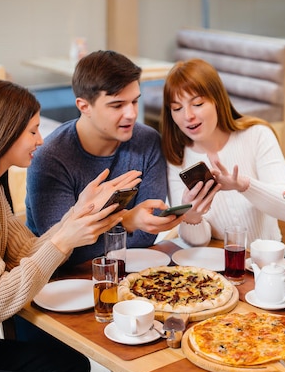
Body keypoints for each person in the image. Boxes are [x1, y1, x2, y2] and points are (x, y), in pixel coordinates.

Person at [0, 80, 140, 372]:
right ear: (3, 132)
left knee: (73, 365)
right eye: (33, 131)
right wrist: (64, 240)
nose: (40, 139)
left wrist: (76, 215)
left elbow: (25, 252)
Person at [26, 50, 181, 267]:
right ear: (84, 106)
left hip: (131, 271)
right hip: (60, 282)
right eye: (117, 105)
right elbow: (62, 252)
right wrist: (127, 221)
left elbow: (146, 235)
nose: (131, 114)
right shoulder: (51, 157)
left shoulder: (149, 142)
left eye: (134, 101)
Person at [161, 58, 285, 246]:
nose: (188, 116)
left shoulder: (257, 135)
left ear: (217, 100)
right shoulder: (176, 158)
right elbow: (198, 242)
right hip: (213, 267)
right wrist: (192, 217)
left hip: (266, 264)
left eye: (197, 104)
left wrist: (243, 185)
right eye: (177, 108)